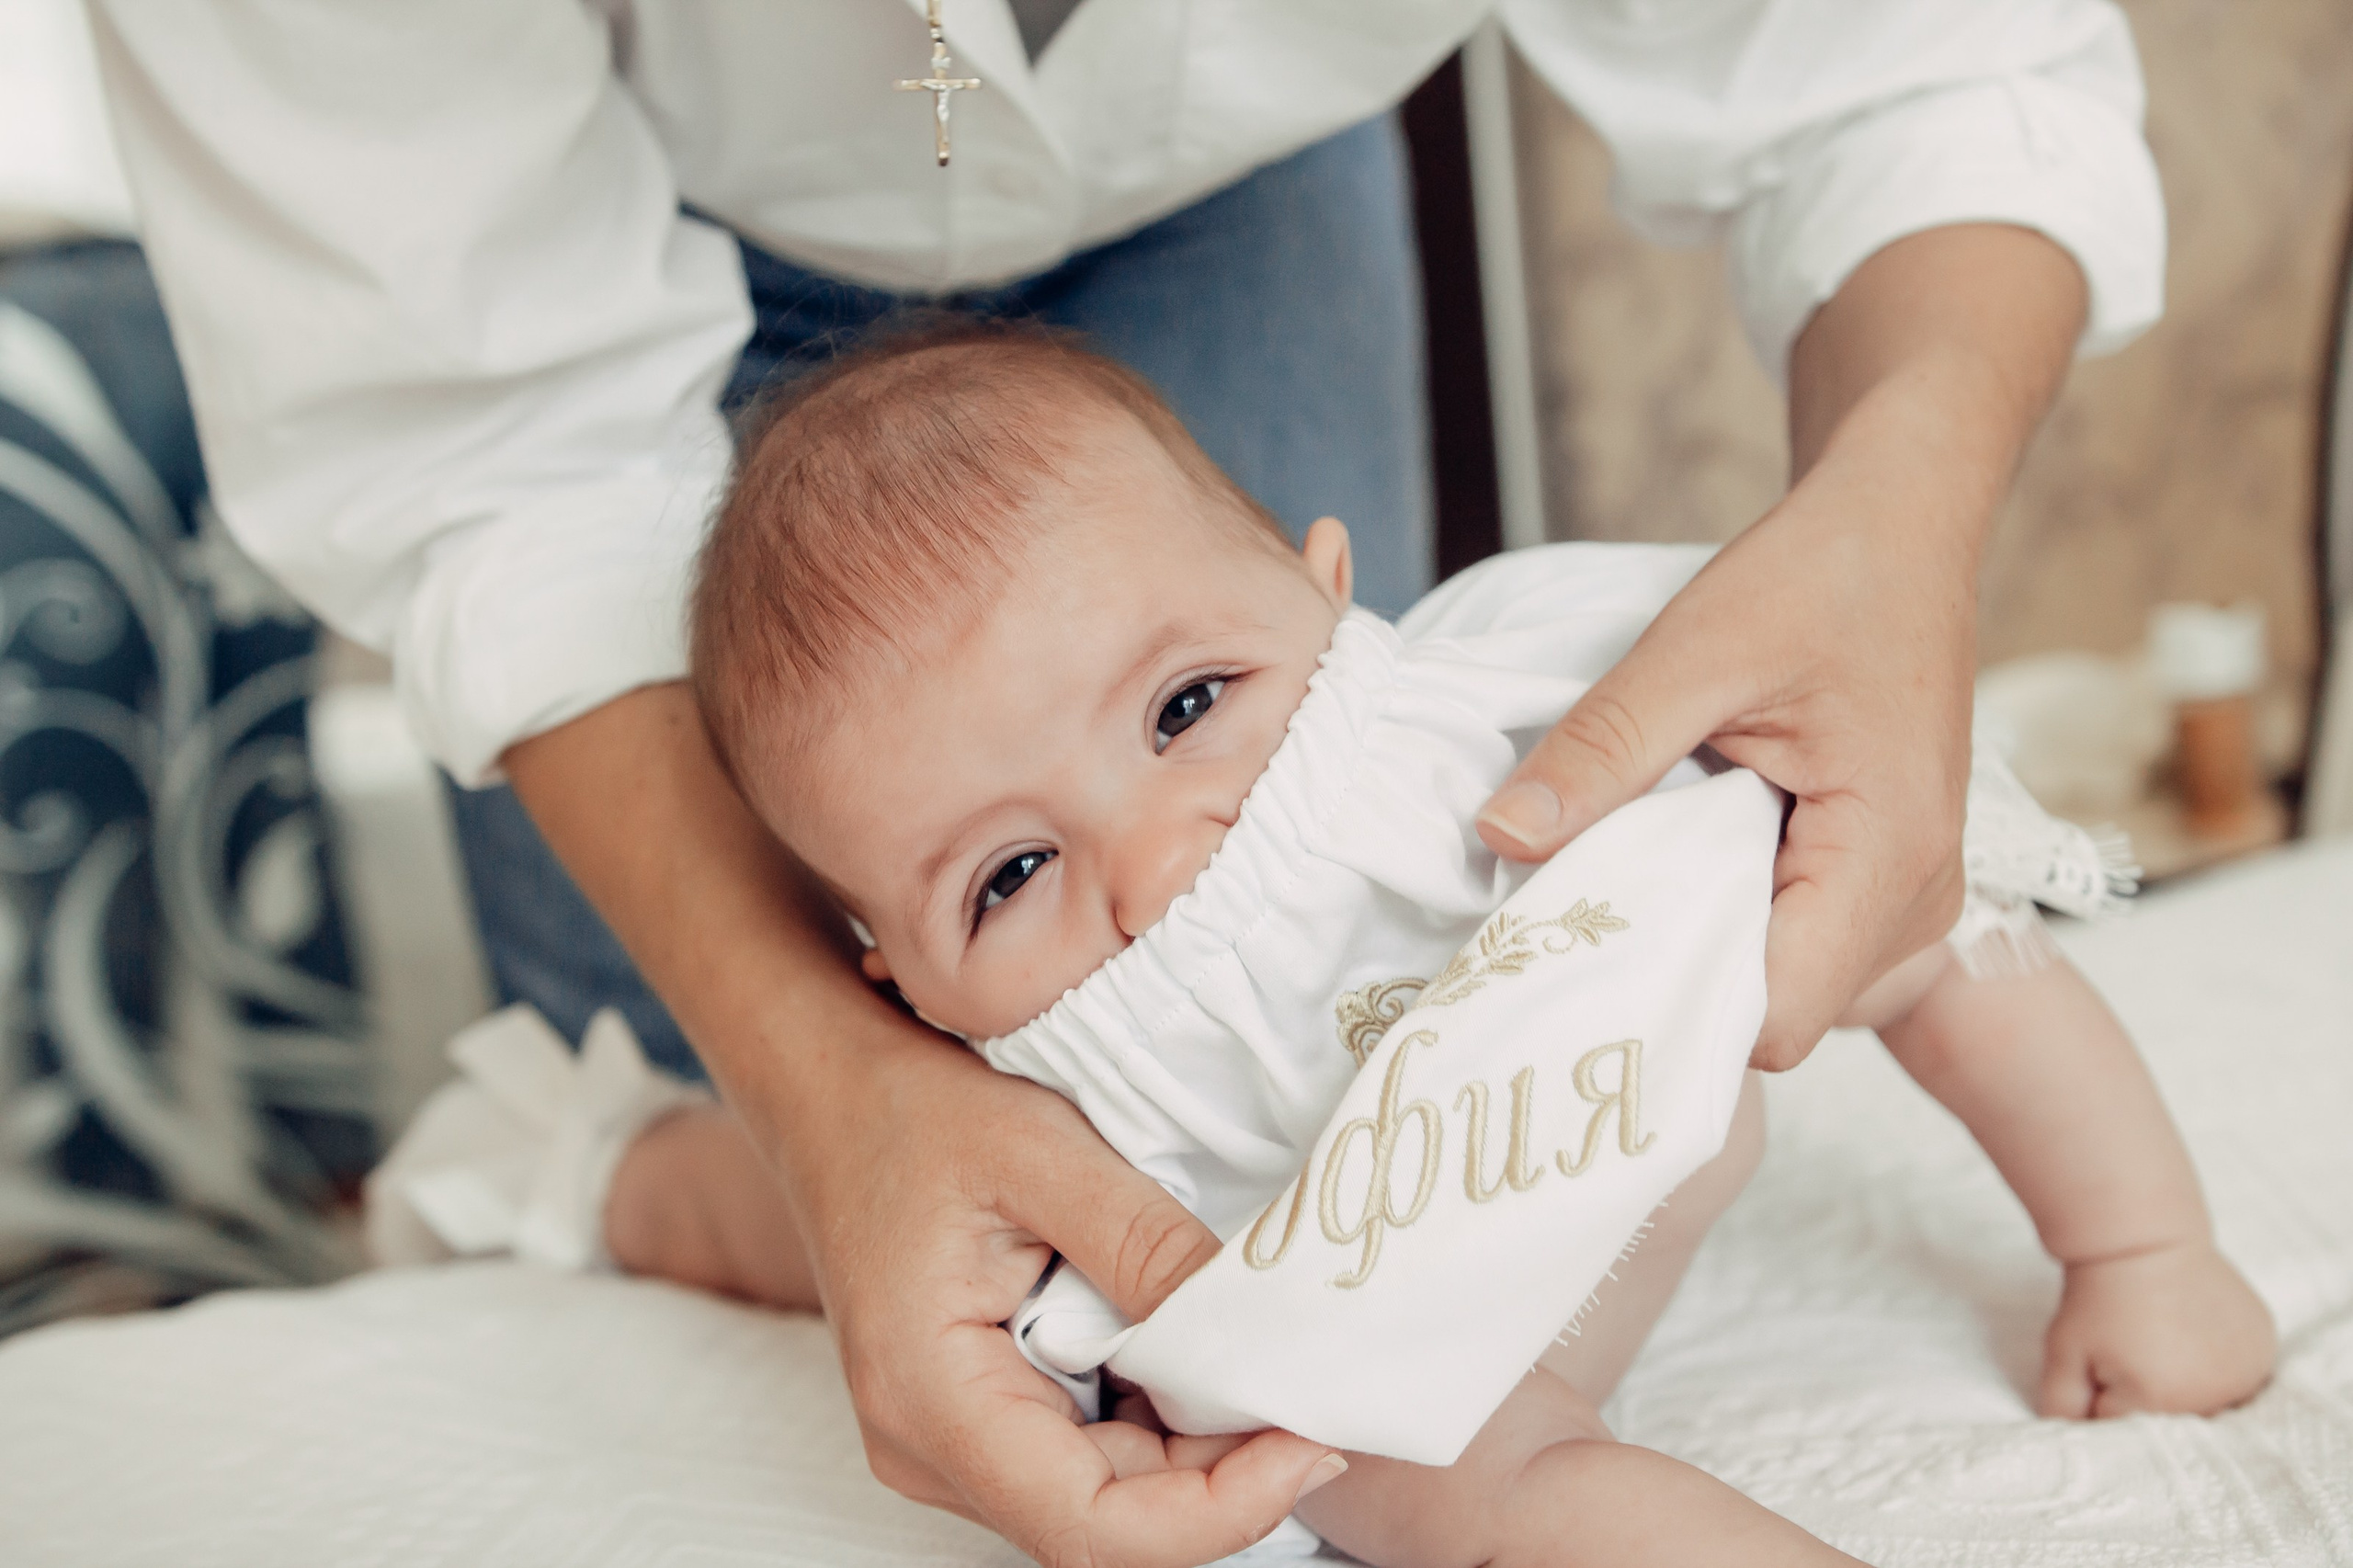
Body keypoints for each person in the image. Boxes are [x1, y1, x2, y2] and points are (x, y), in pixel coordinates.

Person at [89, 2, 2166, 1561]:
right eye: (1003, 876)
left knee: (1888, 887)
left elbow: (1930, 918)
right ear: (894, 970)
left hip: (1220, 158)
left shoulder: (1497, 730)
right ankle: (601, 1159)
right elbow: (474, 456)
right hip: (614, 254)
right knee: (852, 1215)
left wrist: (2130, 1245)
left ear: (1336, 589)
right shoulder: (1047, 1097)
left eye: (1186, 709)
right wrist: (814, 1105)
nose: (1158, 863)